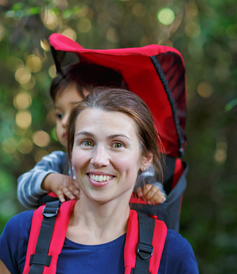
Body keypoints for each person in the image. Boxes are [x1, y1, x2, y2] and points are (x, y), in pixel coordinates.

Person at [0, 88, 200, 274]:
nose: (99, 159)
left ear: (145, 158)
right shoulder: (25, 232)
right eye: (87, 142)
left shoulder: (171, 251)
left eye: (118, 144)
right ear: (71, 149)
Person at [17, 62, 166, 209]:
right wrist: (51, 180)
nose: (64, 122)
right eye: (60, 114)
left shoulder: (134, 164)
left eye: (77, 111)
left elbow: (158, 195)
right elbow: (23, 188)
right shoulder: (58, 162)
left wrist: (151, 191)